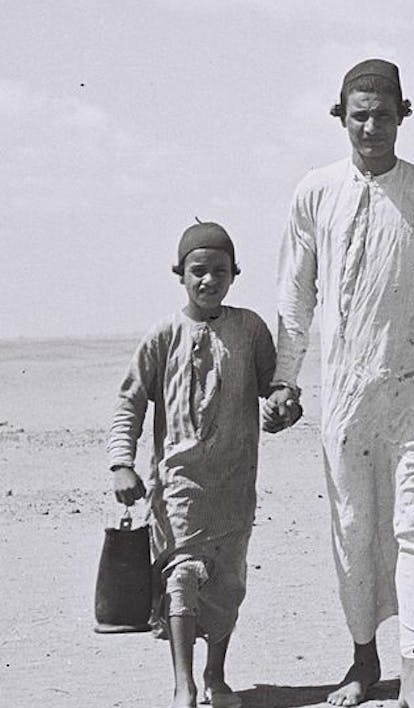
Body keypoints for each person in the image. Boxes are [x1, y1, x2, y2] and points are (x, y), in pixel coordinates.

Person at [270, 58, 414, 708]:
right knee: (352, 528)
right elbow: (296, 296)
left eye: (384, 115)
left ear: (403, 116)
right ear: (342, 118)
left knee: (412, 525)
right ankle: (362, 658)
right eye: (360, 115)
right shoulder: (315, 191)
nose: (372, 127)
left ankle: (413, 669)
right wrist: (285, 380)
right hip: (345, 397)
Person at [108, 222, 295, 708]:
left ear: (234, 274)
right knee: (182, 575)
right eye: (198, 271)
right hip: (179, 484)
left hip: (234, 483)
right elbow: (130, 401)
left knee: (226, 584)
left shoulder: (250, 329)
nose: (209, 280)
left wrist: (283, 407)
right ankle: (183, 684)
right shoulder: (163, 335)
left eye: (219, 271)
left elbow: (274, 387)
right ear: (181, 274)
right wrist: (121, 463)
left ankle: (216, 674)